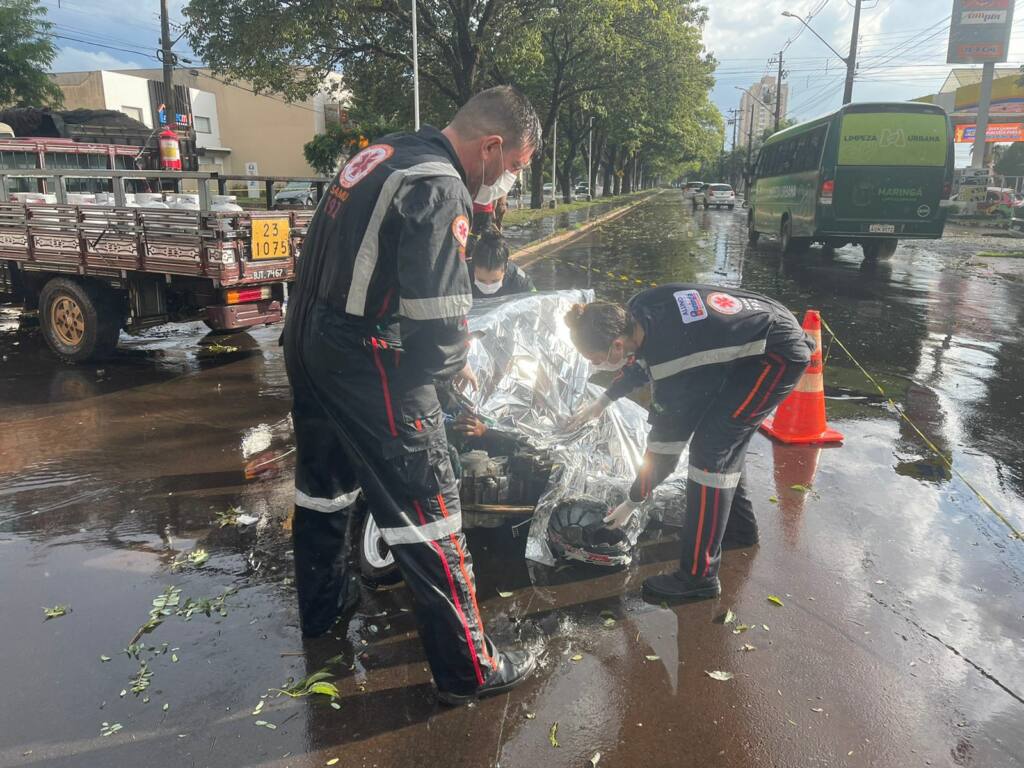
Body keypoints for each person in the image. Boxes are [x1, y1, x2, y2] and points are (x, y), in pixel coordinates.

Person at [283, 85, 542, 705]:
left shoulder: (387, 152)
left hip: (308, 336)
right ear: (491, 146)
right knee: (430, 504)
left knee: (323, 487)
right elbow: (437, 321)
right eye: (511, 169)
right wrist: (453, 382)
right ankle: (470, 671)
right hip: (366, 351)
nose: (504, 183)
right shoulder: (439, 184)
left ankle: (324, 613)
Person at [564, 285, 813, 602]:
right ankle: (740, 530)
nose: (596, 365)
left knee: (711, 454)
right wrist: (603, 401)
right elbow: (641, 361)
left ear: (616, 344)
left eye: (596, 359)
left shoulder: (674, 362)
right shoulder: (639, 309)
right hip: (761, 327)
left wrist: (632, 501)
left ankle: (698, 576)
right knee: (724, 442)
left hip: (775, 356)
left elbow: (664, 452)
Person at [468, 225, 536, 299]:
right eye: (481, 280)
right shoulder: (460, 278)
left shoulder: (521, 283)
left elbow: (536, 305)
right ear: (472, 266)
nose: (488, 287)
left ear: (505, 268)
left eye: (495, 281)